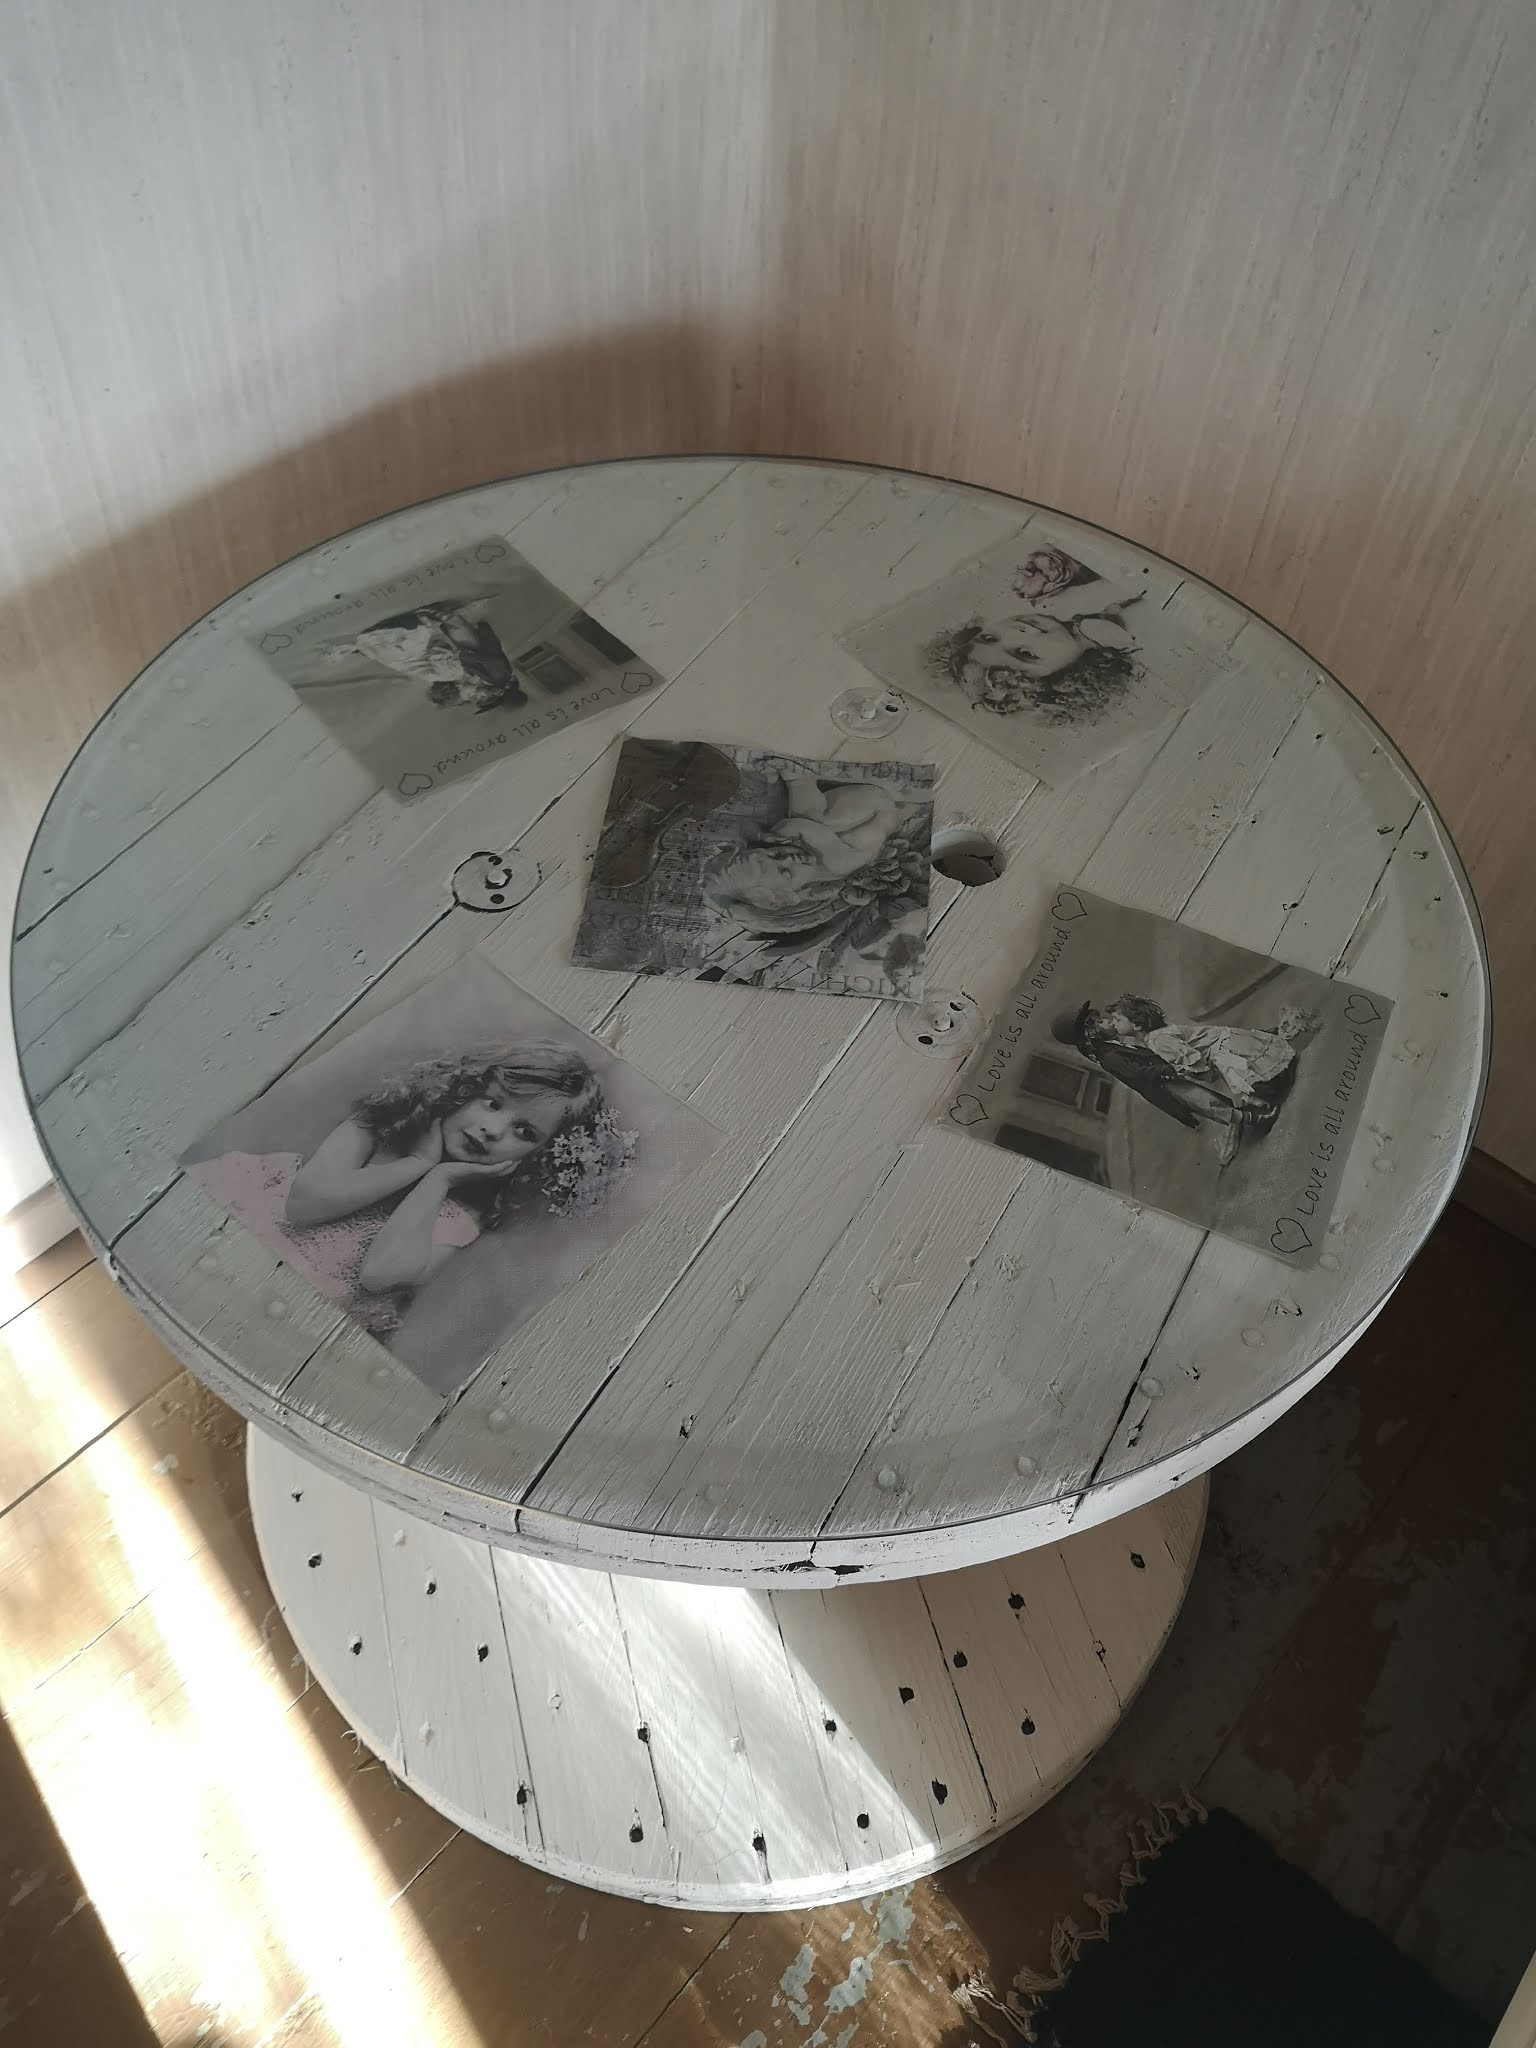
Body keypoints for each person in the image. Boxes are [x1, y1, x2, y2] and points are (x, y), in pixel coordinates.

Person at [193, 1042, 634, 1340]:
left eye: (524, 1131)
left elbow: (381, 1274)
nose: (492, 1128)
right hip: (219, 1232)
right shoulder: (379, 1126)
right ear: (465, 1087)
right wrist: (414, 1163)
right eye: (493, 1102)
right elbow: (303, 1205)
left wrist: (437, 1178)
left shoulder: (460, 1217)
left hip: (272, 1313)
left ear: (536, 1157)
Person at [702, 770, 931, 985]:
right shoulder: (836, 863)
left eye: (775, 854)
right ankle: (799, 778)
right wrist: (778, 834)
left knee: (813, 819)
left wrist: (769, 837)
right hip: (878, 806)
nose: (789, 858)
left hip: (865, 810)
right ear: (791, 896)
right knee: (812, 818)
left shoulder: (808, 858)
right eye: (785, 872)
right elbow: (799, 826)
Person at [1052, 995, 1317, 1166]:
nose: (1107, 1022)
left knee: (1216, 1091)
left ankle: (1257, 1095)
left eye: (1106, 1018)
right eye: (1100, 1022)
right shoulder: (1109, 1055)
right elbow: (1139, 1073)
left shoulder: (1120, 1042)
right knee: (1205, 1101)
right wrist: (1169, 1070)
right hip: (1163, 1084)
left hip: (1169, 1069)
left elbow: (1155, 1050)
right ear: (1091, 1034)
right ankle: (1255, 1117)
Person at [922, 545, 1145, 725]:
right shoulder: (1119, 632)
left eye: (989, 638)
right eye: (1025, 653)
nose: (1015, 631)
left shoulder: (1054, 599)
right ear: (1070, 678)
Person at [317, 598, 527, 712]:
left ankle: (438, 617)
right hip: (476, 649)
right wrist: (465, 656)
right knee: (461, 634)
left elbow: (464, 666)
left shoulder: (470, 678)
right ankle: (441, 614)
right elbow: (490, 660)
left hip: (454, 654)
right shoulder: (500, 676)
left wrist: (462, 659)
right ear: (499, 692)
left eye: (477, 698)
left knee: (454, 637)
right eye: (485, 697)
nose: (480, 695)